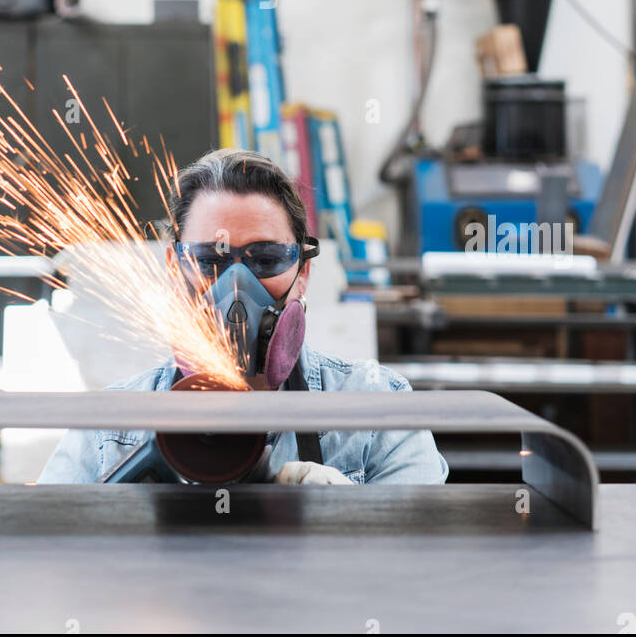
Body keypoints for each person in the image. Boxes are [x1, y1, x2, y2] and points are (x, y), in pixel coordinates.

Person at [39, 148, 448, 486]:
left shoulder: (378, 412)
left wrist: (352, 522)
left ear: (302, 272)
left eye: (267, 258)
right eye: (208, 260)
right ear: (173, 269)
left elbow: (421, 564)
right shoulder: (107, 429)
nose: (235, 286)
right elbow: (51, 562)